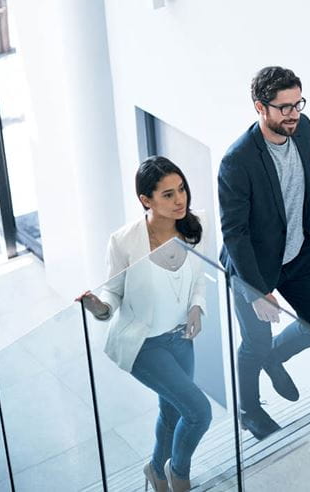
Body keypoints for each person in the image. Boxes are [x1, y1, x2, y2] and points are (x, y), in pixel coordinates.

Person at [218, 66, 310, 440]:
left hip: (298, 254)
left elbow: (307, 188)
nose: (293, 113)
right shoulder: (237, 161)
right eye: (283, 107)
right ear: (260, 107)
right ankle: (248, 410)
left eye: (297, 103)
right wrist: (257, 290)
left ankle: (275, 357)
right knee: (255, 342)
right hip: (253, 266)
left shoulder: (303, 129)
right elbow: (234, 233)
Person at [78, 156, 211, 492]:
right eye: (168, 194)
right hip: (144, 345)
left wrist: (197, 307)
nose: (180, 199)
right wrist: (98, 306)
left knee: (171, 413)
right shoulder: (123, 241)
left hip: (181, 338)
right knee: (198, 412)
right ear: (145, 200)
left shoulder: (199, 225)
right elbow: (112, 292)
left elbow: (199, 279)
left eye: (181, 189)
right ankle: (178, 473)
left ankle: (154, 469)